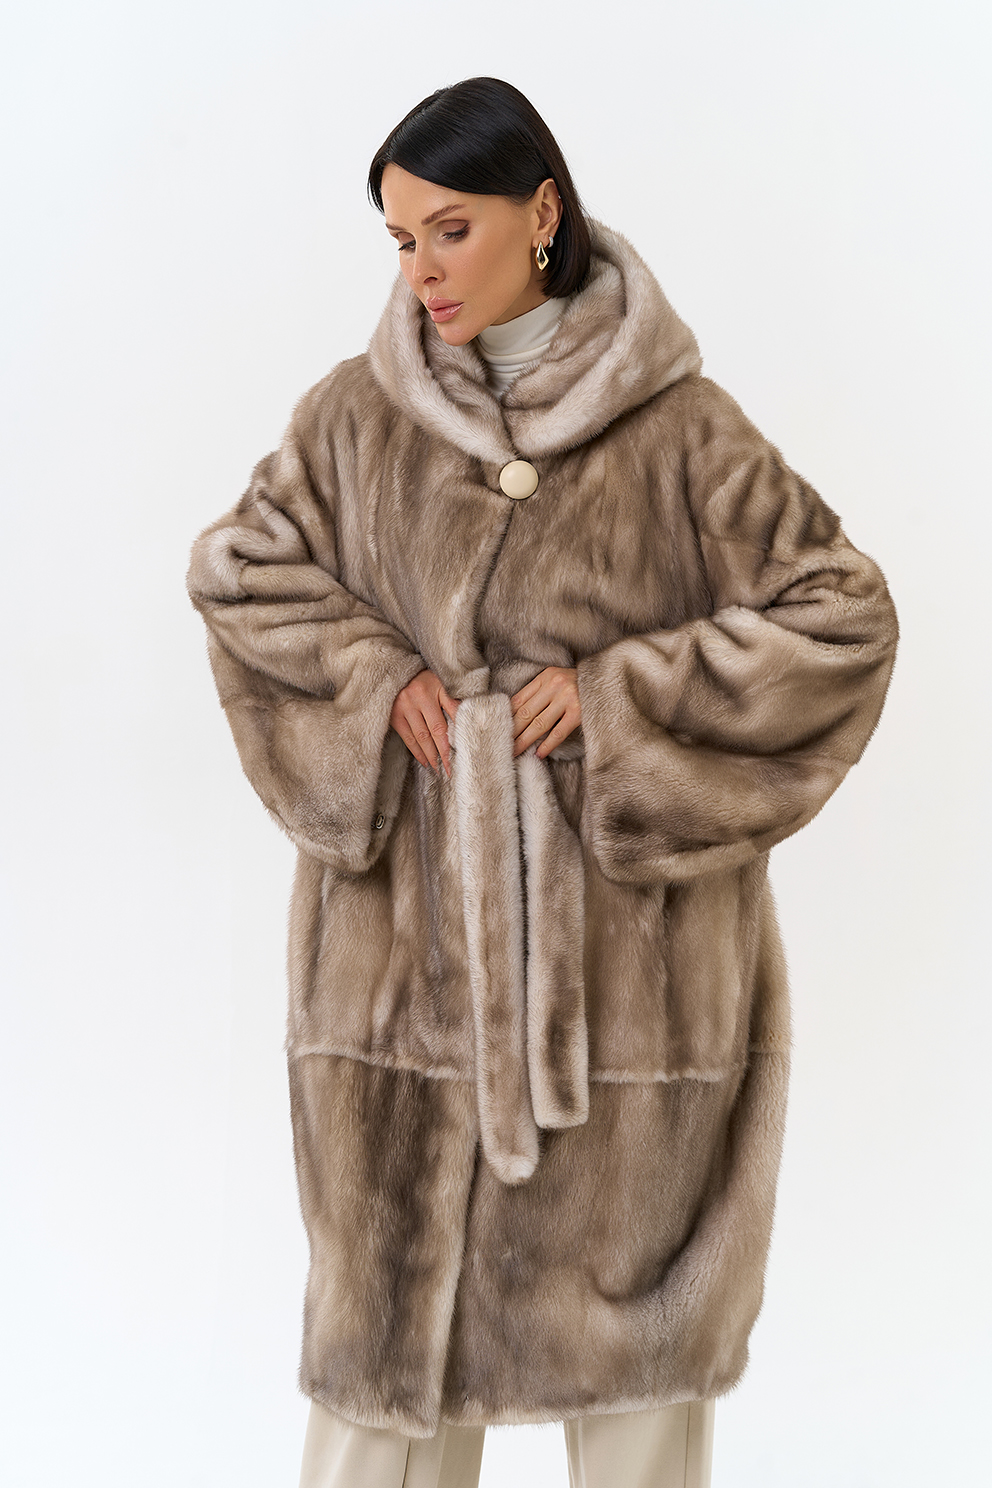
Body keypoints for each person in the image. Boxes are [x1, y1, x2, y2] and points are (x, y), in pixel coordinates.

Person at [187, 77, 897, 1488]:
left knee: (636, 1404)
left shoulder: (684, 434)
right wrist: (377, 679)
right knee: (383, 1397)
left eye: (451, 229)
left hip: (630, 1009)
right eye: (403, 240)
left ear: (543, 213)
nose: (424, 270)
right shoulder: (354, 422)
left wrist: (627, 699)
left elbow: (842, 617)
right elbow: (239, 572)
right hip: (402, 1003)